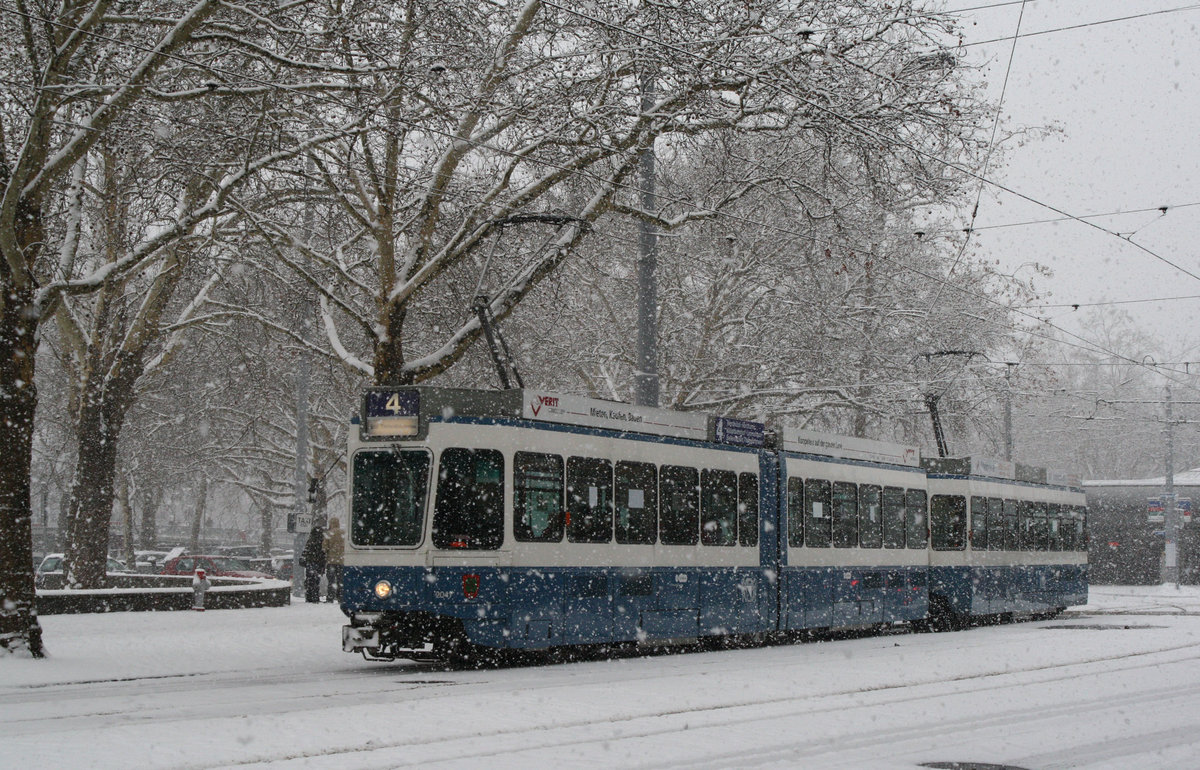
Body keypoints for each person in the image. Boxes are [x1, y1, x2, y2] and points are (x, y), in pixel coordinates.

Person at [300, 523, 326, 603]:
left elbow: (306, 551)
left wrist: (304, 559)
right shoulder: (322, 540)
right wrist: (323, 563)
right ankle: (315, 596)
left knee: (309, 580)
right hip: (318, 563)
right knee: (316, 581)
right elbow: (323, 553)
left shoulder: (310, 539)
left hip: (310, 562)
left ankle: (309, 597)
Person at [324, 517, 345, 603]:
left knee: (331, 581)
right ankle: (341, 597)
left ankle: (330, 597)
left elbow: (324, 547)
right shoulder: (343, 533)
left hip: (331, 561)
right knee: (341, 580)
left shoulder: (329, 533)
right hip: (341, 561)